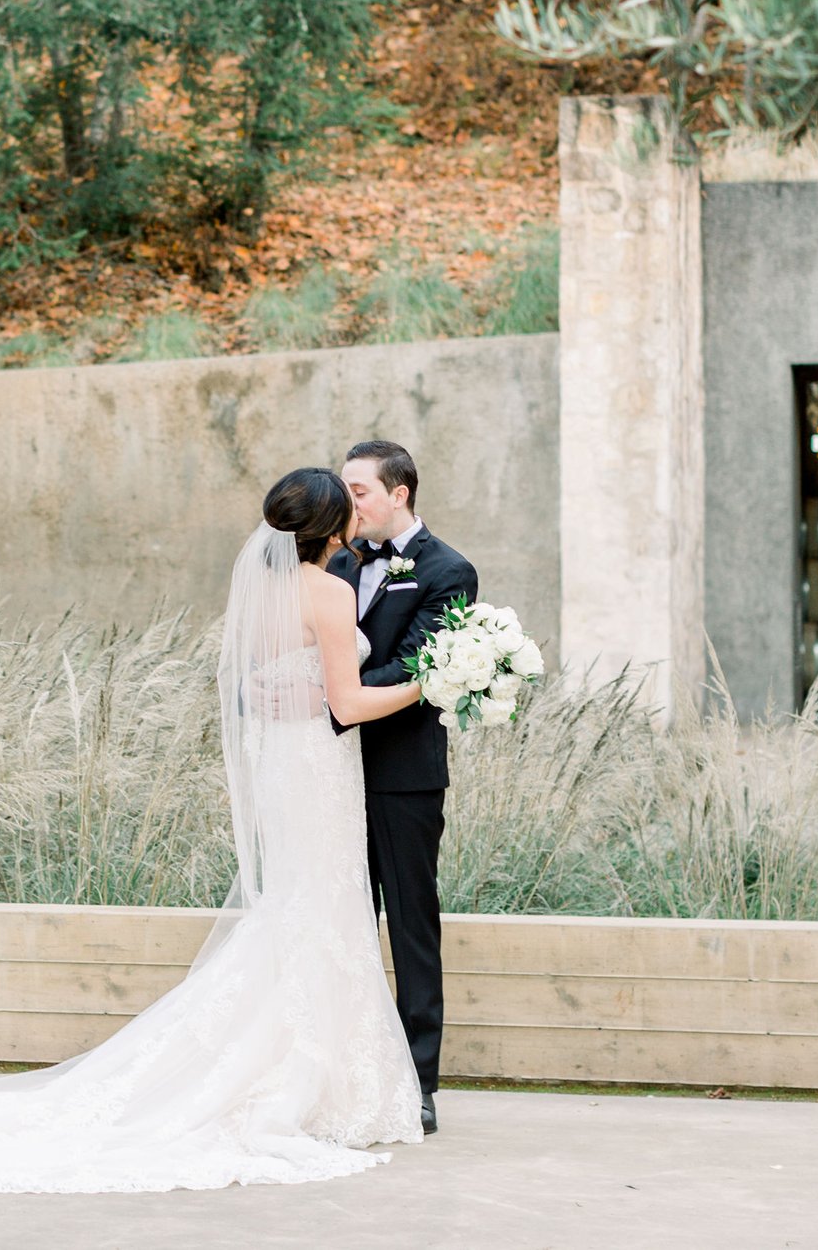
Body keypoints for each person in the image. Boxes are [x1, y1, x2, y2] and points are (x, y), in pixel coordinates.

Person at [0, 467, 426, 1192]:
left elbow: (263, 683)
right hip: (318, 767)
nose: (358, 510)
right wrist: (426, 680)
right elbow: (347, 704)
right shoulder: (328, 589)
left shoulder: (263, 590)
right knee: (320, 907)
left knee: (301, 907)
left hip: (289, 767)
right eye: (346, 501)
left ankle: (310, 1073)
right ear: (328, 526)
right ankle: (315, 1083)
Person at [327, 439, 477, 1136]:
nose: (347, 500)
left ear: (399, 492)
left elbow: (419, 661)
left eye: (358, 489)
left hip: (404, 777)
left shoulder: (449, 571)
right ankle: (344, 1071)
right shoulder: (334, 562)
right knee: (340, 923)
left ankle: (418, 1081)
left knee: (412, 926)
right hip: (326, 773)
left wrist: (342, 697)